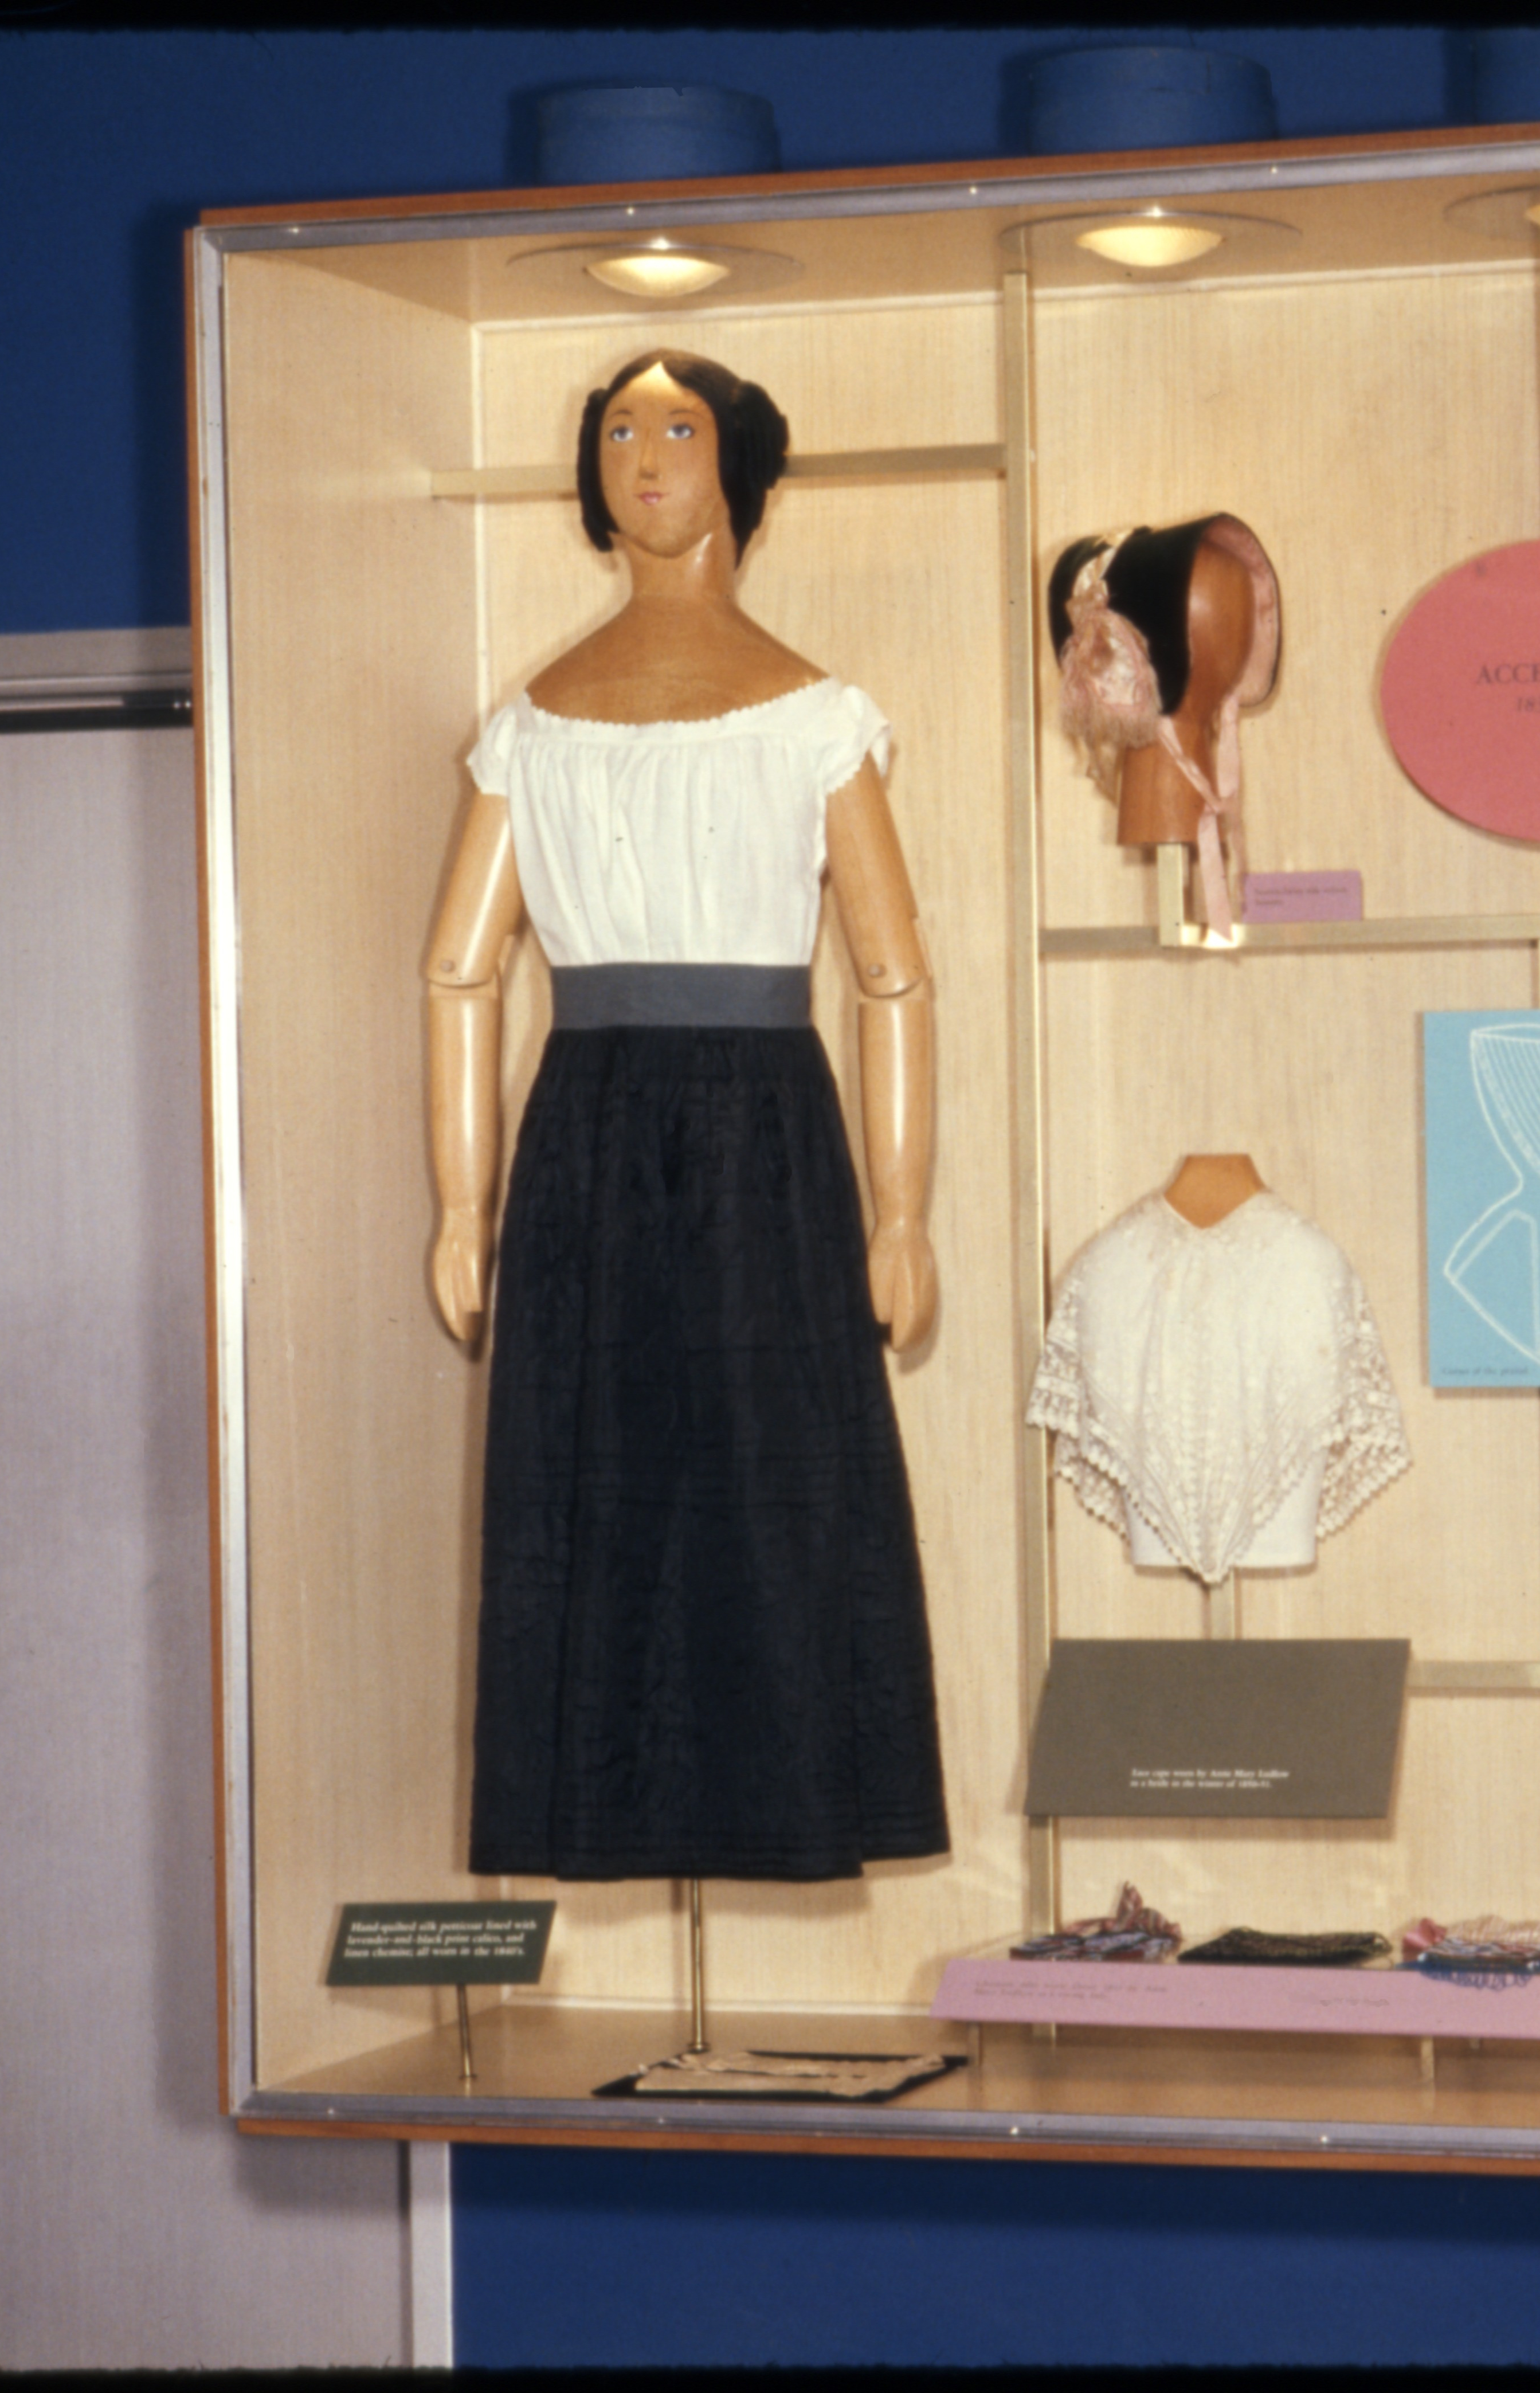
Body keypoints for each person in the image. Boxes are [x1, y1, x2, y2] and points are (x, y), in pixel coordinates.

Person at [422, 348, 947, 1881]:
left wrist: (899, 1210)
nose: (643, 454)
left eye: (675, 427)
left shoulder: (814, 718)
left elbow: (892, 971)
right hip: (583, 1127)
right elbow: (460, 971)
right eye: (616, 431)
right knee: (587, 1486)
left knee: (778, 1480)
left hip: (770, 1135)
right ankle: (591, 1800)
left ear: (739, 472)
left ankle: (794, 1805)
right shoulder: (531, 726)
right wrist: (461, 1207)